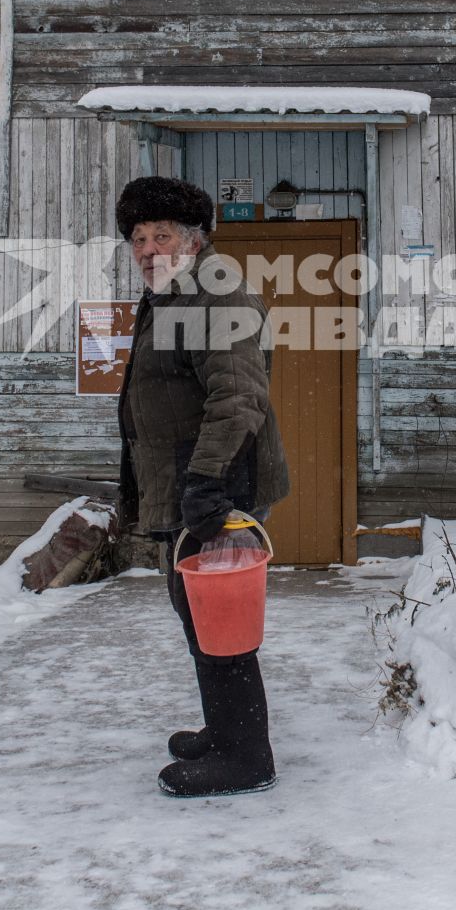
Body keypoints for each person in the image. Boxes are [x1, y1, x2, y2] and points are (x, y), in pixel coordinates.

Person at [113, 176, 289, 798]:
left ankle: (246, 757)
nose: (146, 247)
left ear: (193, 239)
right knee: (198, 616)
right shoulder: (171, 296)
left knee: (221, 620)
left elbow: (238, 397)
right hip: (193, 484)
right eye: (137, 238)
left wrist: (209, 482)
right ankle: (226, 731)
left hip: (217, 483)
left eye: (161, 234)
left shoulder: (215, 296)